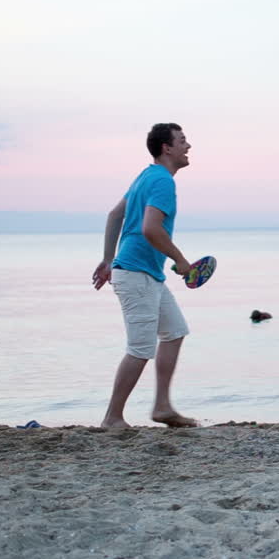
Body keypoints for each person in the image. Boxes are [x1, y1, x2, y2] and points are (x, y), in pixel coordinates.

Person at [91, 123, 199, 429]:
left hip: (144, 273)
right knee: (140, 349)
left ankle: (162, 407)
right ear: (167, 148)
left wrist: (108, 259)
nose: (188, 146)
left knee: (175, 331)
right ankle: (112, 418)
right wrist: (180, 260)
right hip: (136, 274)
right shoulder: (162, 181)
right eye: (182, 141)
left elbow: (115, 214)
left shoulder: (146, 176)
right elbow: (150, 228)